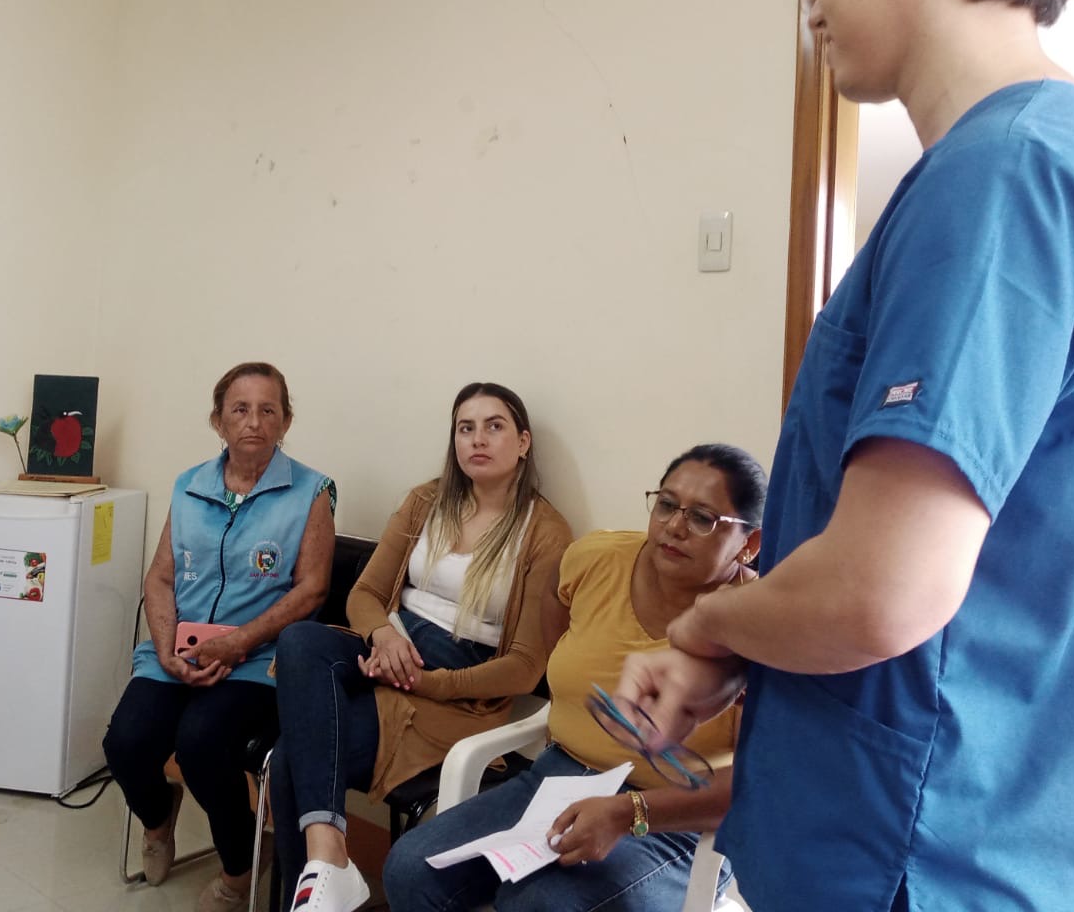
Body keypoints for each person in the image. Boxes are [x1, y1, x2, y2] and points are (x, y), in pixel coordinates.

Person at [612, 0, 1074, 912]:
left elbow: (882, 590)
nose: (815, 2)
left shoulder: (1004, 176)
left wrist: (707, 623)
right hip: (956, 837)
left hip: (914, 856)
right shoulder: (1056, 163)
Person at [382, 443, 765, 912]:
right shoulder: (596, 559)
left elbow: (753, 788)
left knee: (539, 903)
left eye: (703, 518)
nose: (674, 526)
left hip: (679, 820)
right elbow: (556, 620)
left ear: (749, 543)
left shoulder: (763, 625)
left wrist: (630, 811)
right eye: (666, 504)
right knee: (411, 868)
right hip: (561, 778)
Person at [268, 381, 573, 912]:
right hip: (394, 645)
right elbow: (365, 594)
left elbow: (525, 668)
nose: (478, 439)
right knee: (299, 640)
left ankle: (320, 883)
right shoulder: (426, 502)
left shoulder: (545, 532)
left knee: (293, 758)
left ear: (523, 442)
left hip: (457, 685)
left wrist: (428, 681)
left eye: (494, 426)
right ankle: (329, 862)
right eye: (465, 428)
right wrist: (384, 635)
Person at [103, 362, 335, 912]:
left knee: (202, 743)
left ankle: (239, 867)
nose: (254, 421)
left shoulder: (311, 491)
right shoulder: (190, 486)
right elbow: (160, 577)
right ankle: (158, 819)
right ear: (218, 421)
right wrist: (165, 648)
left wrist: (239, 642)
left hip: (257, 660)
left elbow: (312, 589)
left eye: (268, 410)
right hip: (180, 650)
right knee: (125, 743)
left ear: (285, 420)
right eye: (240, 409)